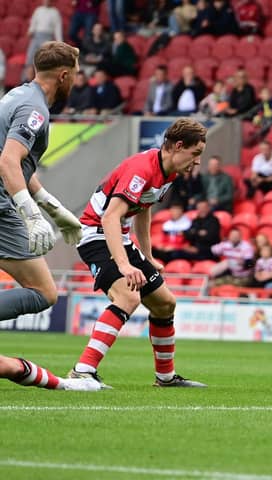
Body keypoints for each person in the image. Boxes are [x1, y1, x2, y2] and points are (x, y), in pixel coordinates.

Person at [68, 118, 208, 389]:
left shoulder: (168, 172)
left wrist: (147, 256)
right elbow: (110, 218)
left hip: (119, 236)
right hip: (96, 235)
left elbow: (143, 208)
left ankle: (165, 378)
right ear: (178, 146)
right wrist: (124, 265)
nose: (198, 161)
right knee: (127, 296)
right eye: (195, 154)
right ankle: (82, 371)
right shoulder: (141, 169)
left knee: (165, 303)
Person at [0, 41, 100, 391]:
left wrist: (54, 209)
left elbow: (21, 164)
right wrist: (28, 212)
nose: (76, 81)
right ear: (63, 75)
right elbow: (8, 162)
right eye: (74, 75)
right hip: (0, 207)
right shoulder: (35, 110)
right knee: (43, 291)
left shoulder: (16, 96)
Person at [25, 1, 63, 81]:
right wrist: (31, 30)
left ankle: (42, 80)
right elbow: (33, 22)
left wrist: (60, 41)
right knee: (30, 58)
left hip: (47, 37)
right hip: (36, 36)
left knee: (44, 59)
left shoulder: (55, 12)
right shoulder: (38, 10)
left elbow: (57, 28)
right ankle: (27, 80)